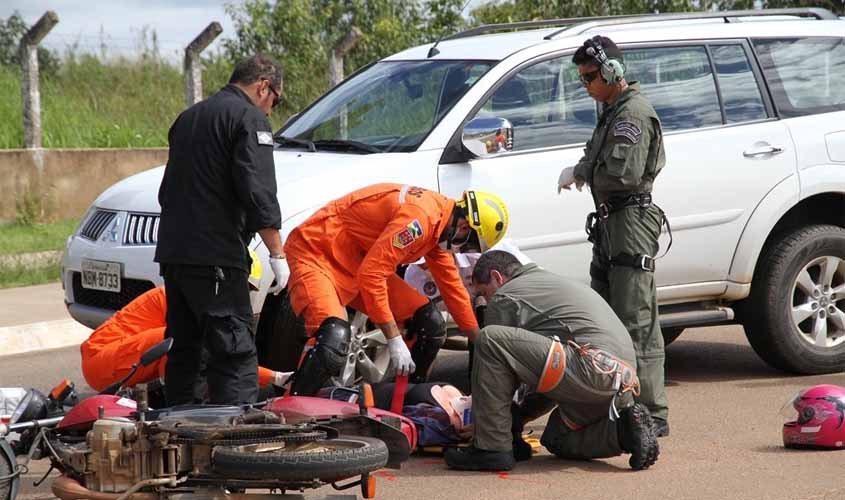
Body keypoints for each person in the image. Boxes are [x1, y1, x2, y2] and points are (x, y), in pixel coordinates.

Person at [443, 251, 659, 472]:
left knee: (489, 339)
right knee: (556, 438)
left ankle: (492, 450)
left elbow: (501, 372)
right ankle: (625, 431)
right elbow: (544, 372)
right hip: (622, 382)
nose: (485, 301)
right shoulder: (550, 284)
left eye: (483, 293)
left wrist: (485, 425)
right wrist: (518, 418)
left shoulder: (505, 296)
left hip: (590, 366)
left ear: (497, 277)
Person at [284, 183, 509, 394]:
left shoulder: (438, 225)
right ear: (464, 226)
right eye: (467, 244)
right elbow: (372, 275)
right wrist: (393, 338)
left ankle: (404, 403)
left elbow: (453, 290)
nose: (461, 251)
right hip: (316, 253)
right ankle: (296, 414)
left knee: (428, 323)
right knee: (334, 337)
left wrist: (479, 341)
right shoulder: (420, 221)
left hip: (359, 262)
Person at [155, 54, 289, 406]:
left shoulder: (188, 118)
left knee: (186, 354)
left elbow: (166, 192)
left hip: (175, 255)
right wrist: (277, 253)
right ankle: (236, 449)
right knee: (233, 355)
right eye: (276, 99)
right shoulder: (250, 118)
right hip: (215, 257)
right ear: (263, 86)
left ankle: (181, 440)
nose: (272, 109)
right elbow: (257, 189)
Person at [557, 36, 669, 436]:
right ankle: (617, 403)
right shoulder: (611, 111)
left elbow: (622, 173)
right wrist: (581, 167)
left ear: (612, 73)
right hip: (610, 224)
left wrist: (582, 173)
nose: (585, 84)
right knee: (603, 316)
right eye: (582, 78)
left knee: (635, 319)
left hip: (629, 224)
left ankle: (652, 414)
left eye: (589, 76)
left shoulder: (631, 115)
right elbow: (597, 155)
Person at [80, 287, 292, 393]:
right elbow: (220, 353)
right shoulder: (183, 298)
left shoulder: (188, 297)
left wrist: (275, 377)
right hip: (102, 362)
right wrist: (275, 377)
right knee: (183, 339)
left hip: (111, 361)